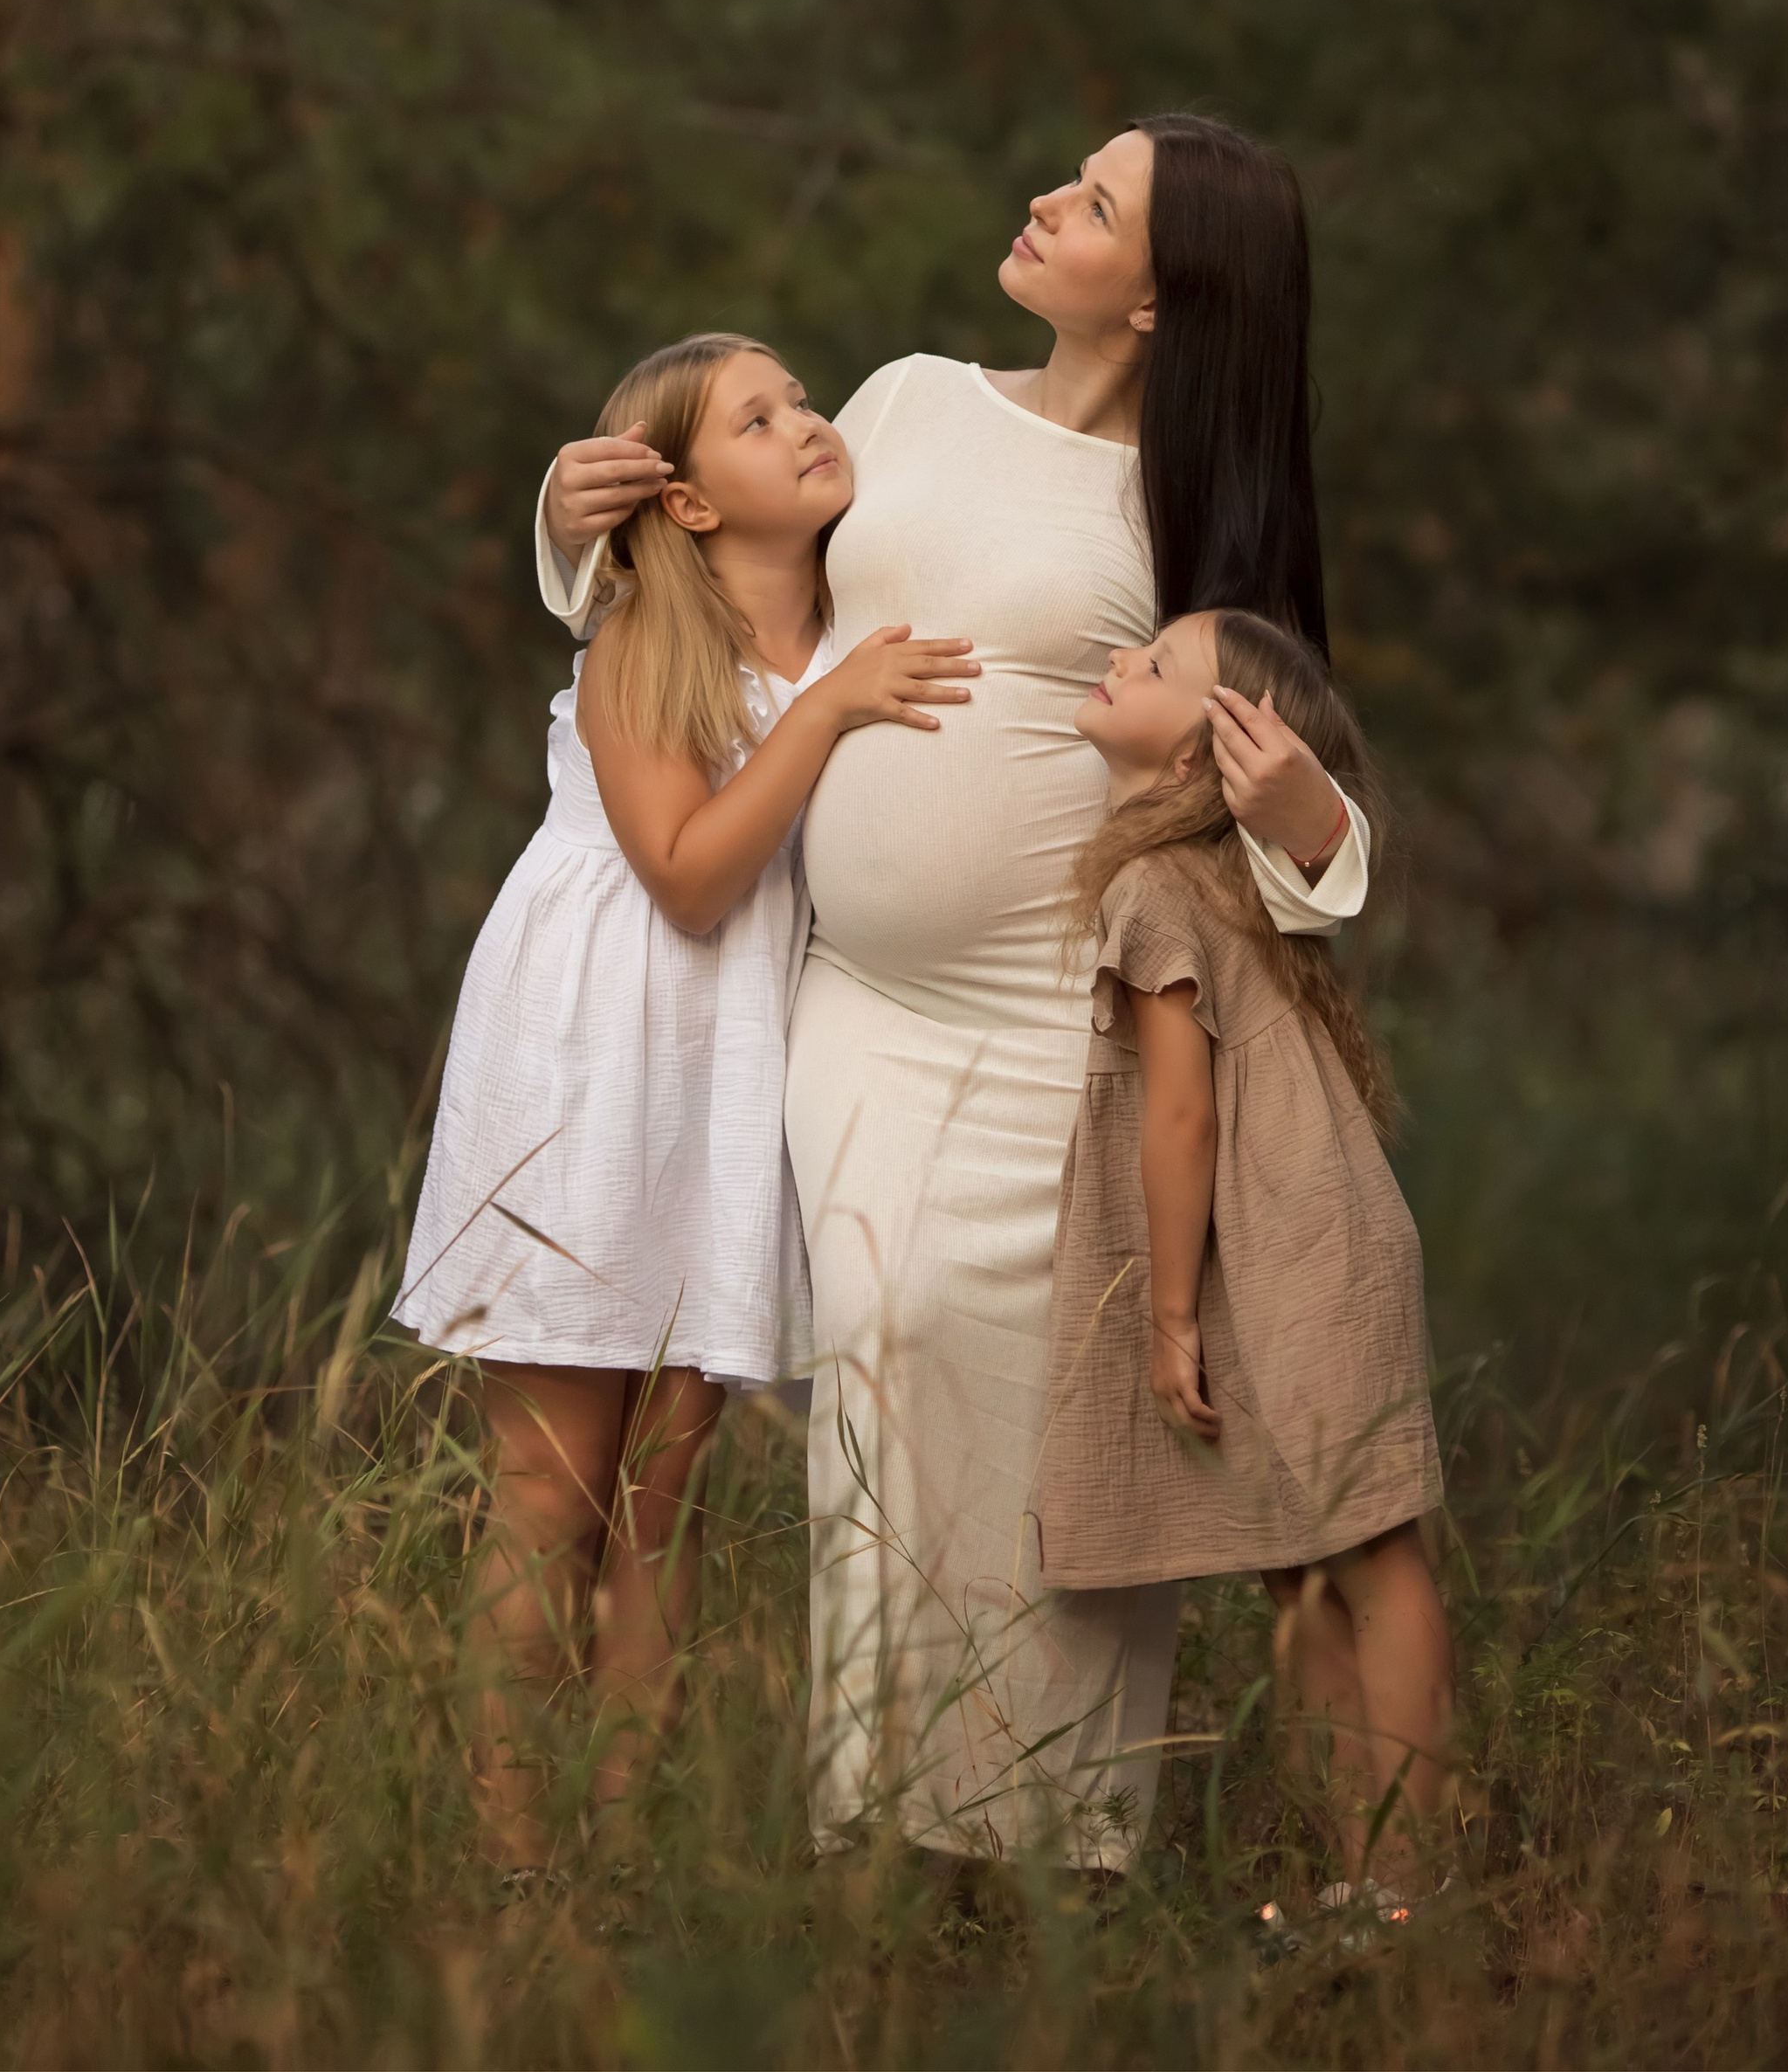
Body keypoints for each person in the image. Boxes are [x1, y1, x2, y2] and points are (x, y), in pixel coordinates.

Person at [536, 114, 1370, 1870]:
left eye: (1094, 203)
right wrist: (566, 532)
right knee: (886, 1362)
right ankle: (879, 1829)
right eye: (1068, 178)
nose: (1043, 201)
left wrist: (1315, 837)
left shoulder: (1192, 505)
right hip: (854, 1009)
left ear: (1159, 297)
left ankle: (1049, 1844)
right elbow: (723, 570)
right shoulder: (908, 396)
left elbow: (1281, 776)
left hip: (1051, 1031)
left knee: (1056, 1421)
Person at [397, 331, 973, 1866]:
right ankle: (513, 1862)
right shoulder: (639, 645)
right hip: (595, 1057)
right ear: (693, 503)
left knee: (668, 1489)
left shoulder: (853, 629)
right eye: (757, 416)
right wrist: (830, 711)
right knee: (552, 1486)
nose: (806, 423)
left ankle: (623, 1847)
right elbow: (695, 877)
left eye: (802, 397)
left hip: (732, 1072)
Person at [1038, 603, 1452, 1922]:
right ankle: (1365, 1875)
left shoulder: (1166, 882)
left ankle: (1410, 1882)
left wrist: (1166, 1315)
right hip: (1286, 1244)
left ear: (1193, 764)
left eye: (1156, 665)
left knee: (1372, 1555)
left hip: (1304, 1247)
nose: (1122, 659)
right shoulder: (1196, 874)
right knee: (1301, 1563)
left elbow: (1181, 1115)